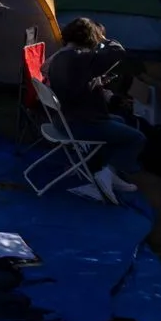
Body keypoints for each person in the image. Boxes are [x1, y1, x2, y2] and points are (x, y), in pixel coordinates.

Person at [43, 17, 144, 200]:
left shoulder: (59, 57)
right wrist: (104, 40)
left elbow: (77, 83)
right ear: (91, 37)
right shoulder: (81, 58)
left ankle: (103, 172)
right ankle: (108, 172)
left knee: (120, 122)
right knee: (136, 138)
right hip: (81, 122)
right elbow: (118, 52)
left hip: (64, 119)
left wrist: (94, 84)